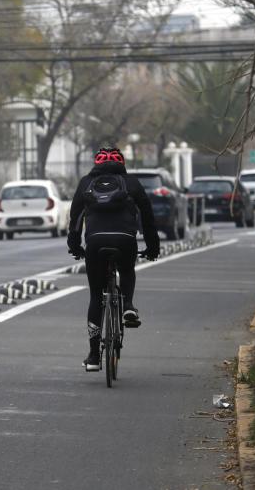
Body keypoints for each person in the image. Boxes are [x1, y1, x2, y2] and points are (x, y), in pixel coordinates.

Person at [67, 147, 161, 372]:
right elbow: (148, 218)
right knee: (127, 270)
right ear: (123, 163)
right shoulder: (131, 183)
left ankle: (92, 356)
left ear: (96, 164)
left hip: (95, 242)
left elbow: (75, 218)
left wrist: (75, 245)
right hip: (125, 239)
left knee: (95, 295)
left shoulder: (85, 183)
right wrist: (152, 247)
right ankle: (128, 306)